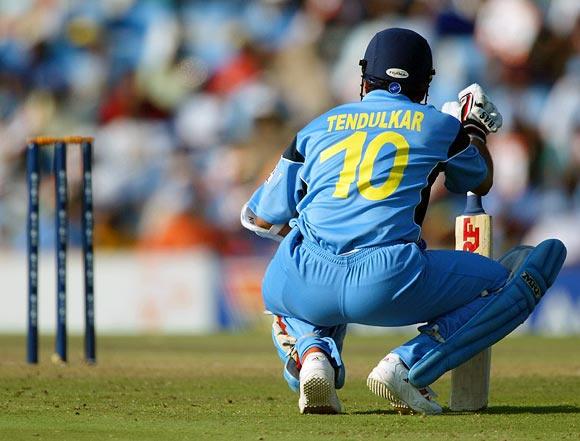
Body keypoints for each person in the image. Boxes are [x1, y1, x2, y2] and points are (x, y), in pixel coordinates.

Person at [240, 28, 566, 415]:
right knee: (505, 281)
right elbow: (478, 180)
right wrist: (473, 130)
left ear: (364, 77)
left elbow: (258, 218)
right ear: (425, 83)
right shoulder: (438, 125)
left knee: (285, 289)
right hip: (388, 278)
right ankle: (407, 364)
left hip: (304, 275)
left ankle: (313, 353)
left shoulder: (316, 126)